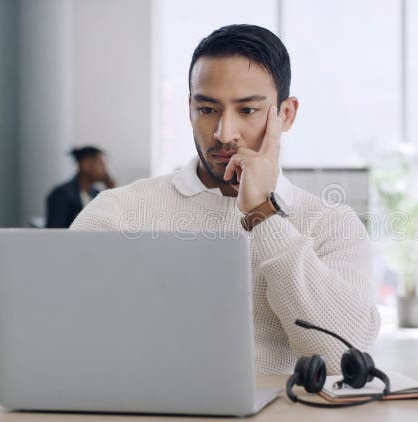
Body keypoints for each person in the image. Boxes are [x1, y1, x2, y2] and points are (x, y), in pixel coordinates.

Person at [70, 24, 379, 374]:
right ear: (190, 109)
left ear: (286, 115)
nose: (223, 133)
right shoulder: (118, 212)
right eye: (207, 110)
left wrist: (264, 213)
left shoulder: (329, 224)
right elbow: (65, 337)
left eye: (247, 110)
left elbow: (345, 355)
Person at [45, 146, 115, 228]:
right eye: (101, 164)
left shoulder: (96, 194)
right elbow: (55, 231)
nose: (105, 170)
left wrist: (110, 194)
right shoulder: (62, 194)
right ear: (86, 165)